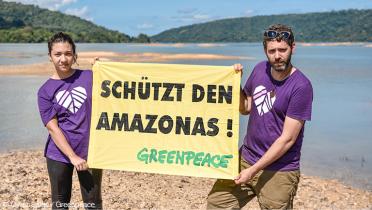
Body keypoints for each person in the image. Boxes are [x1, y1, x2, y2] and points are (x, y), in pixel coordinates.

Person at [207, 24, 313, 209]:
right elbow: (246, 108)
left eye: (283, 50)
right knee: (216, 204)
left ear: (292, 48)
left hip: (279, 170)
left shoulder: (301, 86)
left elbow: (287, 139)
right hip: (246, 157)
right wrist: (236, 83)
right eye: (272, 51)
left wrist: (253, 171)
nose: (277, 56)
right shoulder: (259, 70)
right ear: (265, 51)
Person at [37, 32, 102, 209]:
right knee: (60, 204)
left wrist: (103, 70)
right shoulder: (45, 91)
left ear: (74, 55)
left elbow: (115, 93)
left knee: (93, 202)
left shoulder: (90, 77)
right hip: (59, 154)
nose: (63, 59)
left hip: (90, 151)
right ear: (50, 56)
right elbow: (53, 128)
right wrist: (72, 156)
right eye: (57, 54)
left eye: (67, 53)